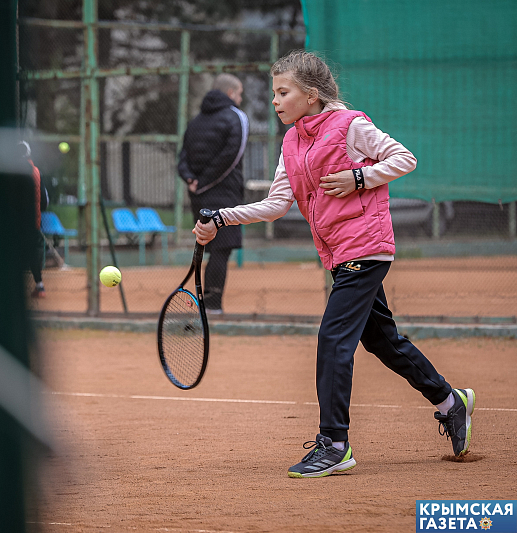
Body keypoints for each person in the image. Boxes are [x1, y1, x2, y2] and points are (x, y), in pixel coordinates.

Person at [193, 50, 475, 478]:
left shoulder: (350, 125)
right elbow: (276, 204)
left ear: (311, 94)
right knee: (381, 340)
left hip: (366, 247)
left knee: (334, 337)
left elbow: (404, 158)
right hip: (338, 253)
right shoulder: (292, 142)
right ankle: (451, 402)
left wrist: (359, 177)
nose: (275, 101)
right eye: (274, 93)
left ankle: (335, 443)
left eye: (283, 92)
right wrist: (221, 217)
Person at [178, 73, 249, 314]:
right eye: (239, 94)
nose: (240, 99)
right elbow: (232, 156)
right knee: (221, 249)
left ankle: (208, 304)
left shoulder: (195, 121)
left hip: (198, 193)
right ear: (230, 93)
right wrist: (205, 182)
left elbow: (182, 157)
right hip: (223, 193)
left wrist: (191, 180)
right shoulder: (237, 117)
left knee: (210, 248)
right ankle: (212, 306)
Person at [19, 141, 49, 298]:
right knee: (32, 251)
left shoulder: (9, 171)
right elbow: (44, 201)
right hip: (32, 221)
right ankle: (40, 286)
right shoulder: (36, 172)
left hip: (12, 222)